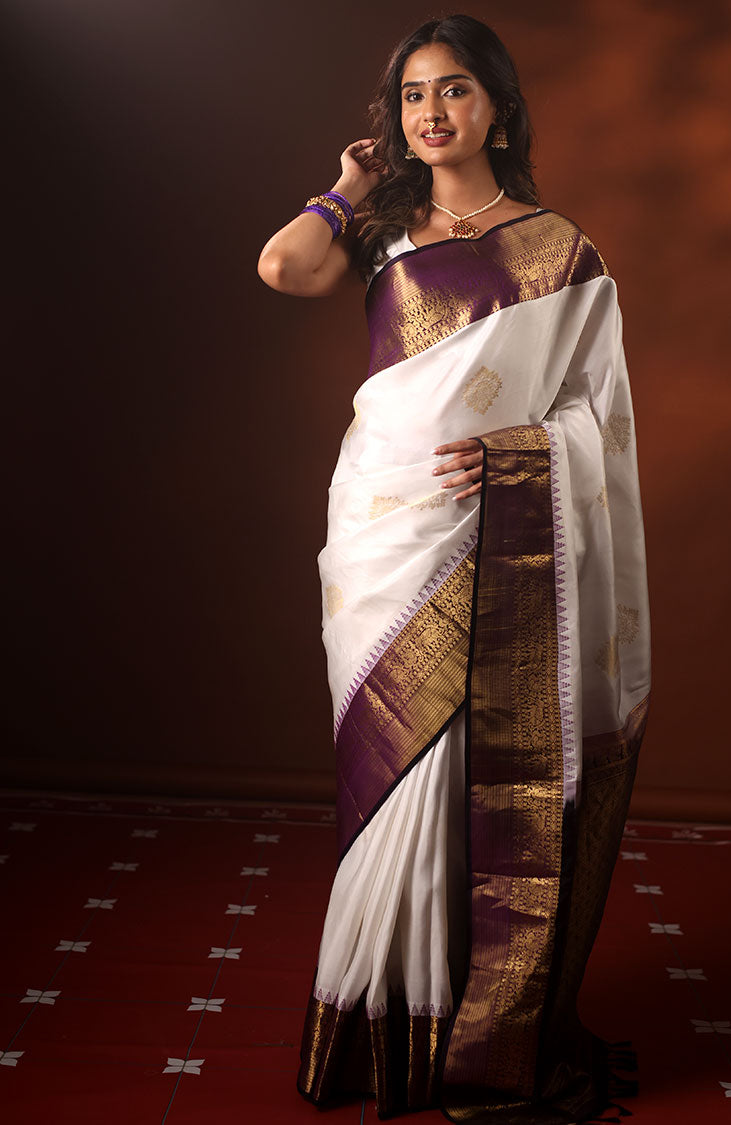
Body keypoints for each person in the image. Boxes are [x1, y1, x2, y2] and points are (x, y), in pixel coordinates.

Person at [257, 13, 651, 1125]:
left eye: (456, 93)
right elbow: (282, 266)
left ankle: (472, 1022)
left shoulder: (559, 250)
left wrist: (529, 456)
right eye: (414, 96)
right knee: (388, 776)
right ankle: (381, 1014)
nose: (433, 114)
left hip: (498, 521)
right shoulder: (381, 228)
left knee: (473, 763)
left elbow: (594, 417)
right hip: (385, 529)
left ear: (499, 108)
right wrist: (345, 182)